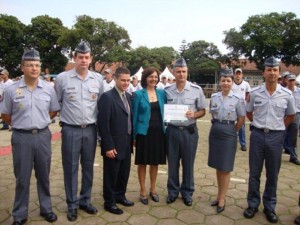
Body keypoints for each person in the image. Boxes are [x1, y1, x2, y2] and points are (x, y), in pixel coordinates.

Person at [1, 49, 60, 225]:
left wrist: (39, 122)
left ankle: (46, 208)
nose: (34, 68)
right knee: (22, 177)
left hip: (42, 135)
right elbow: (5, 115)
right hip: (21, 137)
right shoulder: (12, 89)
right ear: (22, 67)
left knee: (44, 175)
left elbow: (53, 111)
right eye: (30, 65)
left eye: (36, 65)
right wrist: (22, 123)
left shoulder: (48, 89)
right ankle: (19, 214)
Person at [55, 41, 103, 221]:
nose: (83, 60)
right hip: (70, 130)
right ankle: (72, 204)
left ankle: (85, 200)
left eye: (87, 57)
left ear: (90, 59)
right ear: (74, 58)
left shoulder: (97, 79)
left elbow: (101, 105)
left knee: (88, 168)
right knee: (71, 168)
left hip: (91, 129)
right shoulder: (62, 78)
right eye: (80, 57)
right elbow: (57, 102)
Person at [243, 56, 296, 223]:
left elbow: (290, 116)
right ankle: (252, 204)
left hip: (276, 137)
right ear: (263, 73)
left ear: (279, 74)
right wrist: (260, 125)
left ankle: (269, 206)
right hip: (258, 135)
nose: (272, 73)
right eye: (269, 70)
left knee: (273, 174)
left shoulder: (287, 95)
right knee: (254, 173)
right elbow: (249, 113)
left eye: (275, 70)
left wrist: (277, 128)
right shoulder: (255, 93)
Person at [165, 57, 207, 206]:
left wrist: (194, 114)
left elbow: (203, 110)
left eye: (184, 71)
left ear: (187, 72)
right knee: (173, 163)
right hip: (172, 131)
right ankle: (172, 192)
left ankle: (187, 192)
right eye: (178, 72)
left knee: (188, 163)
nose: (181, 74)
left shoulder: (196, 90)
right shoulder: (167, 91)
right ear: (173, 73)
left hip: (189, 132)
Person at [98, 67, 134, 215]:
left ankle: (120, 196)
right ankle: (109, 202)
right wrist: (108, 146)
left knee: (124, 173)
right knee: (111, 174)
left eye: (128, 80)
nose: (126, 83)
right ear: (115, 79)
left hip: (126, 143)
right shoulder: (107, 97)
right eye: (123, 80)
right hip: (113, 144)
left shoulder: (129, 97)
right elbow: (103, 124)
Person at [208, 68, 245, 213]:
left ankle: (222, 198)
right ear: (220, 82)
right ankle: (218, 195)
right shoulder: (214, 97)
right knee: (218, 166)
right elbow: (212, 114)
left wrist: (232, 131)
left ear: (232, 82)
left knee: (226, 167)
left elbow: (241, 119)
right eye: (223, 80)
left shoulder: (238, 99)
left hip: (229, 133)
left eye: (228, 80)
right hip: (215, 131)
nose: (225, 83)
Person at [132, 67, 167, 205]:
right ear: (145, 78)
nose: (153, 79)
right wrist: (133, 136)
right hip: (143, 133)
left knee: (155, 162)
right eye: (150, 76)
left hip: (159, 133)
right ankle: (142, 190)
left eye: (155, 77)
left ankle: (153, 189)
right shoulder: (138, 94)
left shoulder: (162, 93)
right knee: (142, 162)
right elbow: (134, 116)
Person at [231, 68, 251, 151]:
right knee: (231, 124)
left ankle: (243, 143)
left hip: (242, 107)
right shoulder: (231, 83)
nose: (238, 75)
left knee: (241, 125)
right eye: (236, 73)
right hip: (232, 106)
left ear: (242, 75)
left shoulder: (246, 84)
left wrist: (245, 102)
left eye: (239, 74)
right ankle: (232, 141)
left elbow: (248, 94)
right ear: (234, 75)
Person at [285, 74, 300, 165]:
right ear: (286, 81)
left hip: (296, 115)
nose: (291, 82)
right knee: (280, 136)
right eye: (290, 80)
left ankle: (293, 156)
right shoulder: (283, 91)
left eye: (293, 80)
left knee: (293, 138)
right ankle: (276, 155)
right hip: (285, 116)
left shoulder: (299, 91)